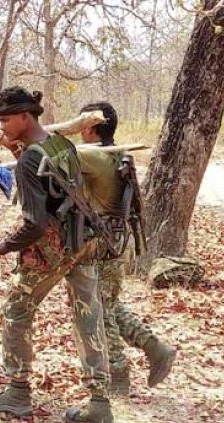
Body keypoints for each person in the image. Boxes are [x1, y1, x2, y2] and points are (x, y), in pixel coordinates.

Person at [0, 87, 116, 423]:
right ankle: (100, 406)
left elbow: (34, 224)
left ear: (25, 117)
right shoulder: (59, 144)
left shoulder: (29, 161)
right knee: (88, 316)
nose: (1, 126)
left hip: (51, 248)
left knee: (16, 311)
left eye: (6, 120)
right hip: (83, 241)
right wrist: (11, 146)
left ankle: (17, 393)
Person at [78, 101, 177, 395]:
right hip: (118, 241)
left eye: (81, 123)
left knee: (100, 310)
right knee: (106, 303)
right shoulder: (116, 153)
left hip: (107, 243)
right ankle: (154, 348)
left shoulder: (94, 155)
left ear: (91, 127)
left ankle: (117, 375)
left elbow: (54, 154)